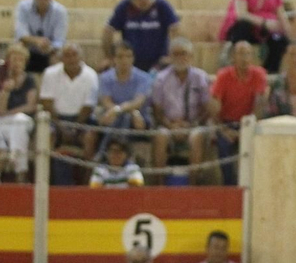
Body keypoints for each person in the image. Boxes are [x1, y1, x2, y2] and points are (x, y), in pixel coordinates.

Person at [151, 38, 213, 180]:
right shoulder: (160, 79)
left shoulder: (200, 77)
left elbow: (206, 109)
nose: (180, 58)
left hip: (193, 125)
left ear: (191, 56)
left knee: (196, 136)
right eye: (176, 54)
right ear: (170, 57)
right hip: (168, 125)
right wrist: (171, 125)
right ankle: (158, 187)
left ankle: (193, 186)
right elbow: (157, 110)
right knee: (160, 136)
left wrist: (189, 125)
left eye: (184, 53)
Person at [210, 41, 269, 183]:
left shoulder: (259, 74)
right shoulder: (223, 76)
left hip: (249, 123)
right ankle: (229, 186)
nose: (244, 58)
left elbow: (260, 105)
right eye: (241, 53)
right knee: (223, 145)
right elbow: (213, 105)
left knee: (254, 143)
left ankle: (251, 184)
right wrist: (223, 129)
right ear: (233, 57)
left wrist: (245, 129)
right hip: (226, 123)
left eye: (248, 54)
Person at [38, 43, 98, 178]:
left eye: (74, 55)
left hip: (82, 120)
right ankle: (43, 180)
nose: (71, 59)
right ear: (61, 58)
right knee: (47, 135)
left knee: (90, 138)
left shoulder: (91, 75)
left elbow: (88, 107)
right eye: (67, 55)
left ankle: (87, 182)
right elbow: (47, 103)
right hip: (55, 119)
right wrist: (61, 128)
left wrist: (74, 129)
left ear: (81, 57)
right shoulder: (50, 73)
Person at [220, 0, 289, 74]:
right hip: (245, 28)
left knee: (280, 40)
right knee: (243, 27)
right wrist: (265, 23)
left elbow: (281, 14)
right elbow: (241, 14)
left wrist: (287, 32)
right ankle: (236, 68)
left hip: (266, 31)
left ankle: (268, 73)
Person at [104, 0, 180, 73]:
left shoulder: (161, 5)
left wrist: (171, 56)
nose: (143, 0)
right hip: (131, 62)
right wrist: (109, 57)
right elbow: (108, 30)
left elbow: (175, 29)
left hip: (158, 63)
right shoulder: (125, 6)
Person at [94, 42, 153, 156]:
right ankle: (121, 157)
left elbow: (138, 102)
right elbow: (106, 102)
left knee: (124, 117)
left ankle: (103, 154)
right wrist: (120, 111)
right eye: (120, 56)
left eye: (128, 56)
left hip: (138, 119)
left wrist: (118, 110)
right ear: (114, 59)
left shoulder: (144, 78)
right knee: (122, 118)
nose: (124, 60)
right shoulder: (105, 78)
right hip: (115, 116)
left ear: (133, 58)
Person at [0, 45, 39, 180]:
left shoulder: (29, 80)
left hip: (24, 120)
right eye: (14, 59)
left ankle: (11, 167)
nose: (17, 63)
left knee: (19, 122)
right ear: (8, 61)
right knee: (13, 132)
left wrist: (10, 113)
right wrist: (6, 91)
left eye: (20, 60)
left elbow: (31, 106)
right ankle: (20, 172)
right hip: (3, 122)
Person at [14, 0, 67, 75]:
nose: (42, 0)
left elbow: (59, 40)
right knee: (17, 50)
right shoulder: (23, 7)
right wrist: (36, 41)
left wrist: (49, 47)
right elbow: (20, 34)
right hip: (28, 50)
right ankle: (19, 86)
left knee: (59, 56)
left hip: (50, 52)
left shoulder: (60, 12)